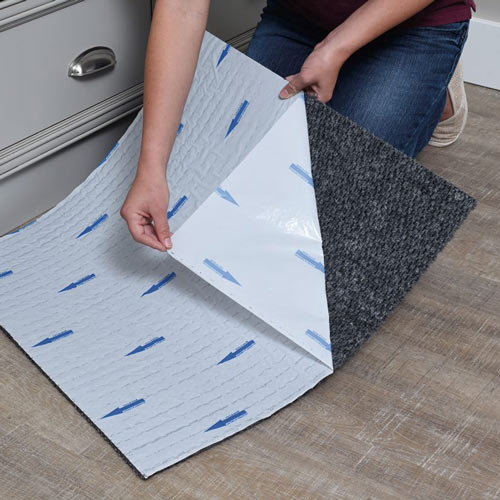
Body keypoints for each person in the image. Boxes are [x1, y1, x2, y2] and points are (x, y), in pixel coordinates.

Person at [120, 0, 475, 253]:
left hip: (411, 23)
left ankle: (432, 94)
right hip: (301, 17)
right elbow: (182, 8)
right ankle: (408, 87)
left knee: (336, 221)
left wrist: (335, 49)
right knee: (234, 186)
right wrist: (152, 168)